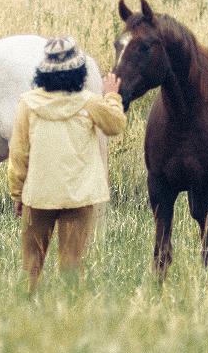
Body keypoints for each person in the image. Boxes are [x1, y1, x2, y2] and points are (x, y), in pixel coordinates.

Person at [7, 35, 127, 293]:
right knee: (71, 268)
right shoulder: (90, 102)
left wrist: (18, 193)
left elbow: (18, 154)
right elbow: (116, 125)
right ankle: (70, 312)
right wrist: (112, 96)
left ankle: (24, 310)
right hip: (79, 199)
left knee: (30, 267)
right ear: (80, 70)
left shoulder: (28, 104)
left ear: (43, 71)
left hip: (37, 197)